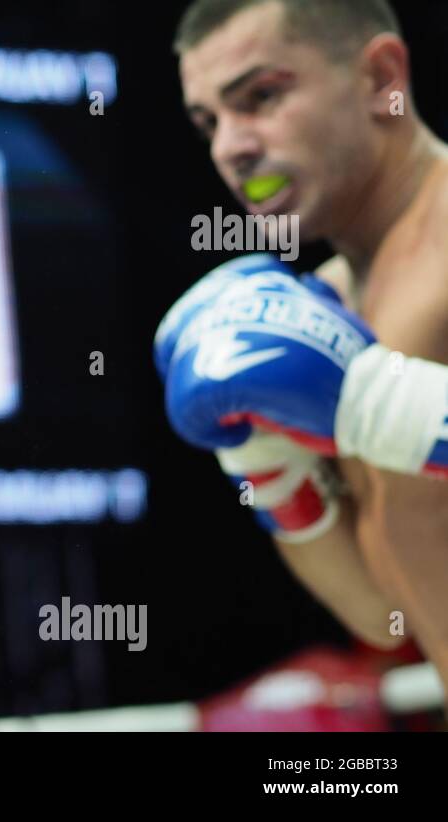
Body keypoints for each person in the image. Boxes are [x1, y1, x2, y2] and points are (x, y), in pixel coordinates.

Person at [159, 0, 448, 676]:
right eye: (209, 121)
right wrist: (266, 467)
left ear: (381, 78)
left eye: (260, 96)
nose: (230, 147)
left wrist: (391, 407)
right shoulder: (324, 314)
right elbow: (383, 610)